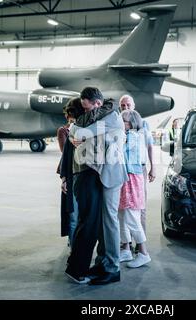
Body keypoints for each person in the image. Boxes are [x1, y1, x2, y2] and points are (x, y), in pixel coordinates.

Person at [66, 87, 127, 285]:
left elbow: (82, 134)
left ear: (97, 103)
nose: (85, 112)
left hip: (111, 175)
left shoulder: (111, 118)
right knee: (101, 222)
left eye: (86, 108)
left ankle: (112, 268)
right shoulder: (98, 117)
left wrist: (74, 130)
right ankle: (102, 263)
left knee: (109, 221)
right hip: (100, 175)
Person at [119, 95, 155, 245]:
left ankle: (140, 244)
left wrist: (153, 167)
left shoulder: (143, 124)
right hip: (125, 169)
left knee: (138, 207)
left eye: (128, 105)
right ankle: (125, 244)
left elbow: (149, 146)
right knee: (124, 207)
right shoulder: (121, 124)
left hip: (138, 169)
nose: (125, 107)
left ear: (133, 105)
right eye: (122, 106)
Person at [58, 98, 84, 250]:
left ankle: (78, 248)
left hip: (83, 176)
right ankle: (75, 250)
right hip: (72, 175)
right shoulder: (66, 131)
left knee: (80, 217)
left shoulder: (89, 127)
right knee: (73, 217)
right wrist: (64, 178)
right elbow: (65, 155)